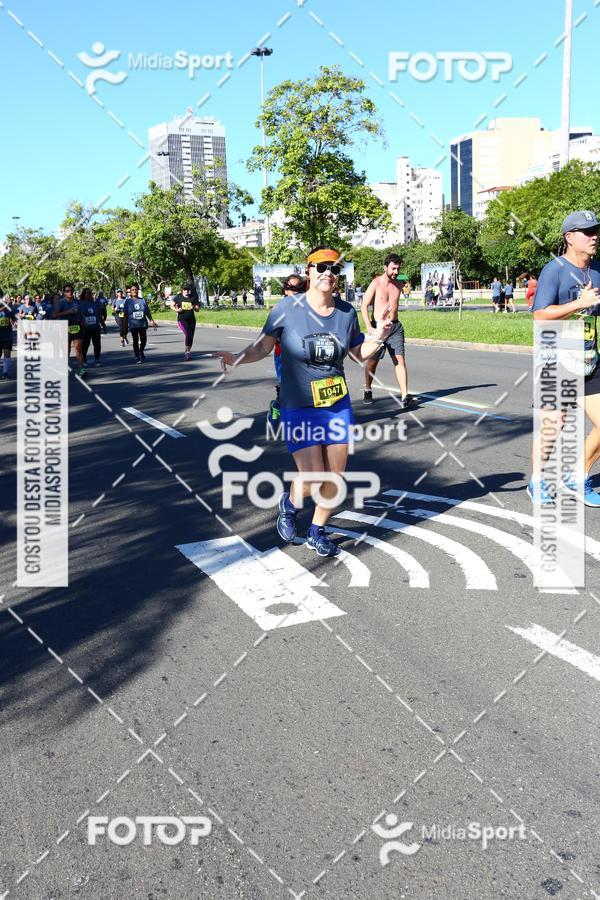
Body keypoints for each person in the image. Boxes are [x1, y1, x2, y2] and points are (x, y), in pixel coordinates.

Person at [212, 245, 393, 558]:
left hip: (336, 405)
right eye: (321, 267)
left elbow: (357, 354)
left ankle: (317, 531)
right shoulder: (286, 309)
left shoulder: (346, 313)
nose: (328, 274)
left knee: (334, 478)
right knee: (312, 476)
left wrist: (378, 337)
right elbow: (263, 348)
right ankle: (290, 503)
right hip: (299, 406)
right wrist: (237, 358)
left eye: (335, 268)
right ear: (309, 271)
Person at [530, 210, 600, 507]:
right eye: (587, 231)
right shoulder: (554, 270)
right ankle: (537, 481)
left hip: (588, 357)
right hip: (556, 358)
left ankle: (576, 476)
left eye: (595, 230)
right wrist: (579, 303)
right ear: (570, 238)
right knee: (552, 427)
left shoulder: (597, 270)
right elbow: (539, 315)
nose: (594, 236)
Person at [361, 253, 414, 409]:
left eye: (398, 268)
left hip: (395, 327)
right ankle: (368, 388)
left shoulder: (399, 284)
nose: (396, 272)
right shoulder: (376, 283)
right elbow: (364, 306)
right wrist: (369, 327)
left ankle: (405, 396)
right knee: (372, 362)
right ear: (385, 267)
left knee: (400, 360)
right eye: (393, 268)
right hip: (378, 328)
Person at [268, 273, 307, 425]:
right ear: (285, 290)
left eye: (300, 288)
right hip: (283, 355)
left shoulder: (308, 309)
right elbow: (270, 337)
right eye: (292, 288)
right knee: (286, 389)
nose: (296, 292)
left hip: (304, 355)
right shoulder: (278, 310)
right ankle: (276, 405)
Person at [54, 283, 86, 376]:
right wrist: (68, 312)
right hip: (65, 327)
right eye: (67, 291)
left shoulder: (77, 302)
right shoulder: (61, 302)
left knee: (78, 348)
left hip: (76, 326)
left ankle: (81, 369)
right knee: (66, 350)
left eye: (71, 290)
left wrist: (83, 322)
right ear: (64, 293)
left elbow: (81, 313)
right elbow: (55, 315)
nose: (70, 292)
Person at [123, 282, 157, 363]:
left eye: (136, 289)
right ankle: (137, 356)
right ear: (130, 292)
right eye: (133, 290)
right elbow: (125, 314)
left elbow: (147, 311)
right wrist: (124, 326)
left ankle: (141, 351)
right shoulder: (127, 302)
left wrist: (151, 320)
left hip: (142, 323)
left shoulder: (142, 300)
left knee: (144, 340)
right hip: (133, 324)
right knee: (135, 340)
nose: (135, 291)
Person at [170, 282, 200, 361]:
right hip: (182, 319)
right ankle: (187, 353)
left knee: (190, 336)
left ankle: (187, 351)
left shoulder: (193, 298)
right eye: (185, 289)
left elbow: (198, 309)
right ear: (182, 290)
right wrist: (177, 310)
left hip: (192, 320)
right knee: (188, 333)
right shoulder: (179, 297)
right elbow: (172, 305)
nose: (186, 291)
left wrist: (193, 307)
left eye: (188, 289)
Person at [79, 287, 104, 367]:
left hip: (95, 327)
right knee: (85, 344)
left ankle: (97, 359)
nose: (91, 295)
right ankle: (84, 359)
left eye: (91, 293)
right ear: (84, 294)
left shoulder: (95, 303)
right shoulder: (80, 303)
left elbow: (99, 314)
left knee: (97, 344)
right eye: (89, 293)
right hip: (85, 328)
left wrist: (103, 324)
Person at [0, 292, 16, 380]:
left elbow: (13, 319)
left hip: (7, 335)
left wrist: (15, 321)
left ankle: (5, 373)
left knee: (7, 353)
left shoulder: (9, 307)